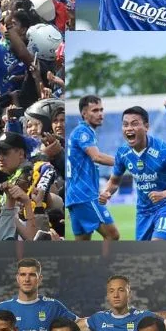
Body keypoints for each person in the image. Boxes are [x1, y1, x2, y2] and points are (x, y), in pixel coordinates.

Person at [102, 105, 166, 241]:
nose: (129, 128)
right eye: (125, 125)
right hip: (143, 210)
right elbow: (114, 182)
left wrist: (164, 194)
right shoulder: (122, 152)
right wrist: (107, 192)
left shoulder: (163, 151)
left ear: (146, 127)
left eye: (134, 124)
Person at [67, 95, 119, 240]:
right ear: (84, 113)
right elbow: (97, 157)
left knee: (83, 241)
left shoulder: (83, 132)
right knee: (112, 235)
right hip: (85, 194)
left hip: (76, 195)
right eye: (95, 110)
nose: (100, 114)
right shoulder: (83, 132)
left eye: (101, 110)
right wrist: (123, 161)